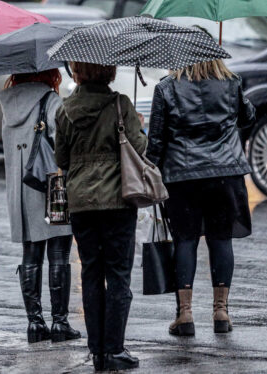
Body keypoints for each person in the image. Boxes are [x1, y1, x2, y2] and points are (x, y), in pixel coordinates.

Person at [146, 59, 256, 337]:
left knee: (186, 240)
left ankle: (185, 315)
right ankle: (221, 311)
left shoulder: (166, 88)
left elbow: (156, 139)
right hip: (225, 173)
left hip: (183, 176)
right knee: (221, 238)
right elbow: (247, 118)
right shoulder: (231, 83)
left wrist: (149, 172)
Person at [54, 62, 146, 372]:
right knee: (118, 273)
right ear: (109, 71)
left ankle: (97, 351)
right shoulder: (121, 104)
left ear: (77, 72)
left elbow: (62, 158)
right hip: (118, 199)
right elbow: (140, 148)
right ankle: (114, 349)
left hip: (81, 202)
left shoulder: (65, 110)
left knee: (91, 272)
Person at [0, 69, 81, 344]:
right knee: (59, 254)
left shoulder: (8, 104)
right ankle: (60, 322)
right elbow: (64, 147)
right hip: (51, 186)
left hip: (21, 190)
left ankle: (35, 323)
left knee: (30, 255)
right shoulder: (52, 102)